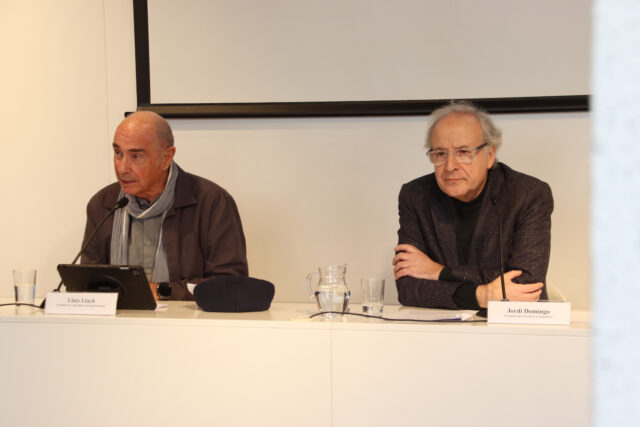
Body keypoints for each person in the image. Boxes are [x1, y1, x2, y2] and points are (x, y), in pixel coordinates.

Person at [392, 101, 552, 310]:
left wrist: (439, 272)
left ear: (490, 155)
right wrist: (481, 295)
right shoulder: (416, 196)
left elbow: (525, 284)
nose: (450, 166)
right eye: (440, 153)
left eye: (463, 152)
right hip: (440, 325)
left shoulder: (527, 194)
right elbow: (409, 288)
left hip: (515, 324)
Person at [81, 111, 248, 300]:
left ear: (167, 157)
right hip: (119, 318)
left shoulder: (212, 202)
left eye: (136, 156)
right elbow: (89, 281)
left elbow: (230, 283)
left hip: (186, 318)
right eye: (118, 153)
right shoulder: (103, 204)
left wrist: (164, 291)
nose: (122, 168)